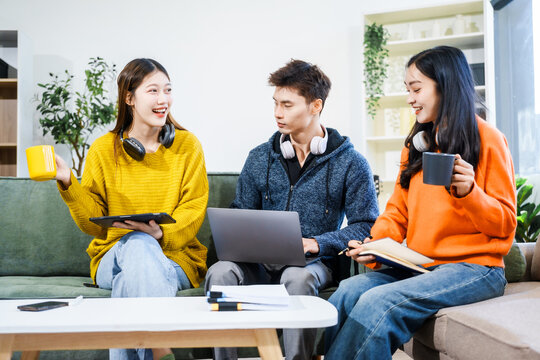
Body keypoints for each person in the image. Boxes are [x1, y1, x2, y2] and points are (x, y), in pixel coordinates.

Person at [324, 46, 517, 360]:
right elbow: (397, 211)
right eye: (407, 90)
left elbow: (505, 226)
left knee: (379, 302)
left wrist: (470, 193)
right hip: (422, 265)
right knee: (347, 291)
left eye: (416, 89)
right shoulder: (416, 145)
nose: (410, 98)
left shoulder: (489, 139)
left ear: (446, 86)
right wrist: (373, 245)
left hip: (475, 269)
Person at [205, 59, 379, 360]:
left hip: (311, 264)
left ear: (315, 106)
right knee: (220, 273)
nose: (277, 113)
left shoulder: (351, 163)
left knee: (296, 279)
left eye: (287, 104)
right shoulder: (260, 157)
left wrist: (318, 243)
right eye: (275, 103)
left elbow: (366, 225)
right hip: (257, 264)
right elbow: (241, 211)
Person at [54, 58, 209, 360]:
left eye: (167, 90)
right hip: (114, 254)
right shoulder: (103, 149)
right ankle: (160, 347)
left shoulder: (188, 146)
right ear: (129, 98)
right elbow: (94, 224)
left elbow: (194, 209)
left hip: (174, 257)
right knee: (137, 245)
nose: (163, 99)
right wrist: (68, 182)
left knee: (133, 272)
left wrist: (161, 233)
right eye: (153, 90)